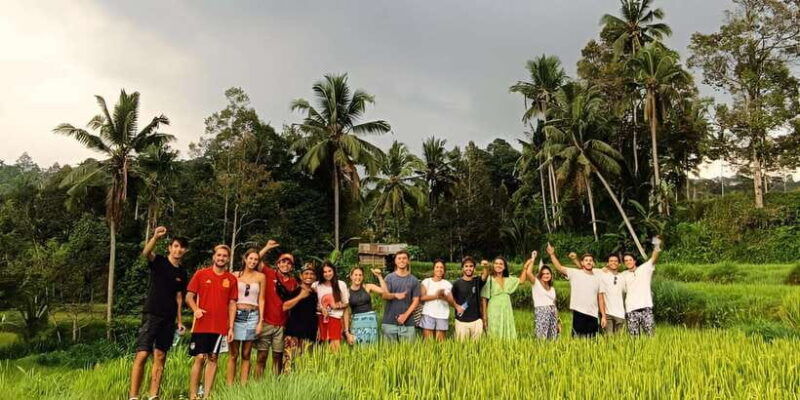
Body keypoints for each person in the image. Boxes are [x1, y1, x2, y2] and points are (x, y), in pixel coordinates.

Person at [129, 226, 189, 400]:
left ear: (185, 251)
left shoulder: (182, 273)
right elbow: (146, 253)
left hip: (169, 318)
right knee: (142, 353)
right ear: (170, 247)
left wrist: (179, 321)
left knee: (161, 355)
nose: (178, 250)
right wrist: (155, 237)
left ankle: (153, 395)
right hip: (152, 313)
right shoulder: (160, 261)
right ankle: (133, 396)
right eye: (176, 246)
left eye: (182, 247)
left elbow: (179, 298)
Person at [185, 245, 238, 400]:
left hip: (220, 326)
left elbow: (232, 304)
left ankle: (207, 395)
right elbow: (189, 296)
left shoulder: (231, 279)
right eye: (219, 255)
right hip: (202, 325)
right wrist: (195, 309)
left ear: (228, 259)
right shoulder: (201, 274)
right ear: (214, 257)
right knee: (200, 357)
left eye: (224, 256)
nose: (221, 258)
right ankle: (193, 395)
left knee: (213, 358)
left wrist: (231, 327)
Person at [254, 240, 297, 377]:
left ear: (292, 267)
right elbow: (255, 260)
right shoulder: (269, 273)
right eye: (283, 262)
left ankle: (275, 385)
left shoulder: (293, 283)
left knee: (277, 358)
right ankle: (257, 385)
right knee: (261, 356)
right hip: (266, 322)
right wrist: (267, 247)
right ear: (278, 264)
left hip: (281, 325)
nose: (285, 265)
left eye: (289, 263)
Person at [547, 243, 607, 338]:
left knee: (592, 341)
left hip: (593, 314)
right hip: (579, 312)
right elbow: (559, 267)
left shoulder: (598, 276)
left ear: (594, 263)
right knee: (577, 339)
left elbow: (600, 298)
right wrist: (552, 254)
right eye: (586, 260)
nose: (588, 262)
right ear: (582, 263)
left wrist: (603, 315)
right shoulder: (575, 273)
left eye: (591, 260)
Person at [226, 249, 266, 385]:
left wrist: (261, 321)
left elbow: (261, 299)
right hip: (236, 315)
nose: (253, 262)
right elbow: (228, 298)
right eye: (251, 258)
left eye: (256, 259)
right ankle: (230, 386)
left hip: (252, 316)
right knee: (233, 354)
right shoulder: (235, 275)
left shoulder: (261, 277)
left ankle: (243, 386)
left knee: (246, 353)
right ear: (245, 259)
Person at [621, 236, 663, 336]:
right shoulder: (623, 275)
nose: (628, 262)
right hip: (631, 310)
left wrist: (657, 244)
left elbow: (654, 257)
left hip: (646, 308)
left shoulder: (644, 269)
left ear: (634, 261)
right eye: (626, 261)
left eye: (630, 260)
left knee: (650, 336)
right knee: (634, 339)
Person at [282, 263, 318, 373]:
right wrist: (300, 296)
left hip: (308, 333)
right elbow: (284, 306)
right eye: (306, 273)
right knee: (289, 362)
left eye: (312, 274)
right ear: (301, 276)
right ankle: (286, 386)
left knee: (305, 363)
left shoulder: (314, 293)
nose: (309, 276)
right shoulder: (295, 291)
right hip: (294, 332)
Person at [380, 250, 420, 342]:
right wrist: (395, 295)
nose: (402, 260)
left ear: (408, 261)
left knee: (409, 353)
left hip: (408, 323)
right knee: (388, 353)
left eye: (404, 258)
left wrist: (405, 316)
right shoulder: (389, 278)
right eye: (399, 258)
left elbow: (416, 301)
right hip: (389, 321)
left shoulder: (414, 280)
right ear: (395, 261)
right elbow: (384, 295)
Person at [520, 251, 560, 339]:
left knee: (553, 337)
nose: (546, 275)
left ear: (551, 275)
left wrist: (558, 321)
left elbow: (554, 304)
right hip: (542, 311)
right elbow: (529, 273)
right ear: (540, 275)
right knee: (541, 336)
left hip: (552, 312)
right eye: (543, 274)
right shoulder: (536, 283)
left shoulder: (552, 288)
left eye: (548, 273)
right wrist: (533, 258)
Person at [343, 267, 388, 345]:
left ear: (363, 277)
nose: (358, 277)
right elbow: (346, 312)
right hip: (356, 323)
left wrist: (379, 276)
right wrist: (347, 332)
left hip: (370, 322)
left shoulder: (368, 286)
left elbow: (384, 291)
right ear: (351, 276)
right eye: (355, 275)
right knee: (358, 347)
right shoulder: (347, 292)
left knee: (372, 347)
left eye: (360, 275)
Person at [312, 261, 349, 351]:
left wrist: (338, 306)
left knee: (335, 349)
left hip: (335, 319)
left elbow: (346, 303)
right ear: (321, 273)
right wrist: (321, 309)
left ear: (334, 271)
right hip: (320, 319)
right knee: (320, 349)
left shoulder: (341, 284)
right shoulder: (316, 285)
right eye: (325, 272)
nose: (327, 274)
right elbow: (312, 305)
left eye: (329, 271)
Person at [449, 256, 488, 341]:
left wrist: (484, 266)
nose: (468, 268)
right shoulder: (457, 283)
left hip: (476, 321)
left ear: (474, 268)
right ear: (462, 268)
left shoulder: (477, 281)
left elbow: (484, 276)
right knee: (462, 347)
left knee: (477, 347)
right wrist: (456, 306)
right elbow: (450, 299)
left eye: (471, 266)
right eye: (466, 266)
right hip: (461, 321)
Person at [480, 257, 520, 339]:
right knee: (493, 331)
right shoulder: (489, 279)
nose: (498, 265)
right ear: (493, 266)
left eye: (501, 264)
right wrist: (484, 316)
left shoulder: (508, 279)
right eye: (496, 263)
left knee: (506, 329)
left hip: (506, 310)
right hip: (493, 310)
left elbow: (521, 280)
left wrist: (529, 263)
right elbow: (484, 299)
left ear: (504, 267)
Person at [419, 259, 453, 341]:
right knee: (428, 342)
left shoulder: (447, 284)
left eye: (441, 267)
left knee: (441, 342)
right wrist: (436, 296)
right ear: (433, 269)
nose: (439, 269)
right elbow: (421, 297)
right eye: (437, 267)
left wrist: (444, 297)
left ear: (444, 271)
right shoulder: (426, 282)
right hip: (428, 313)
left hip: (442, 314)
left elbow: (451, 301)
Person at [593, 253, 626, 335]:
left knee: (620, 342)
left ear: (619, 264)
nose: (613, 263)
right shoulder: (602, 275)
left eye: (615, 261)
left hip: (620, 314)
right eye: (611, 261)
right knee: (608, 341)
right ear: (607, 263)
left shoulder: (623, 276)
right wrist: (603, 315)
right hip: (607, 314)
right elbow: (600, 297)